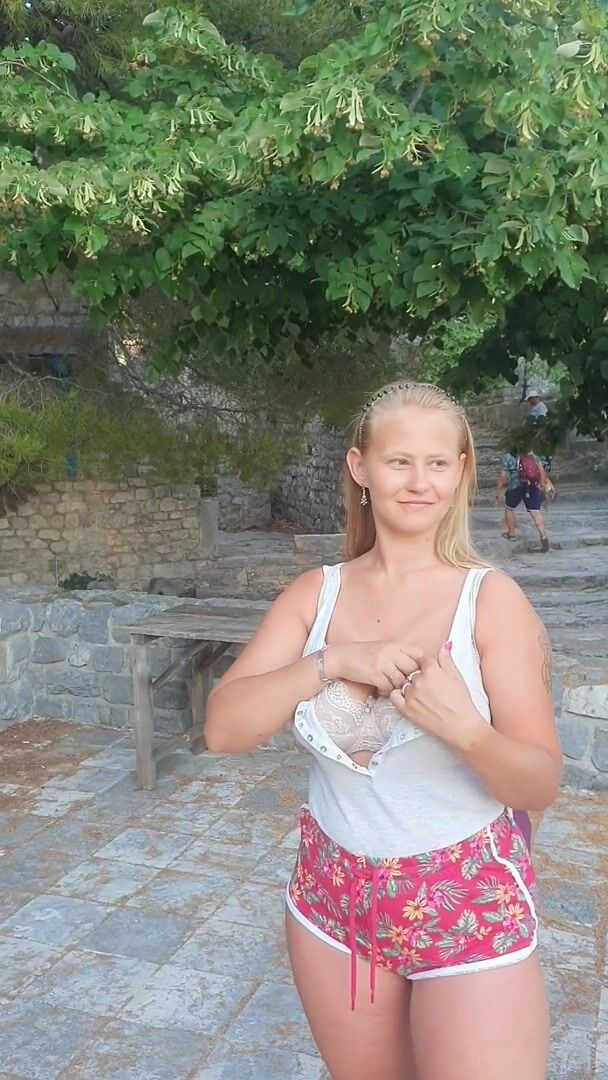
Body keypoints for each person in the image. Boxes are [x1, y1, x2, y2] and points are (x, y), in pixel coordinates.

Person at [205, 382, 561, 1080]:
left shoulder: (490, 601)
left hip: (468, 901)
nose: (419, 481)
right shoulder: (315, 594)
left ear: (460, 471)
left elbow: (539, 782)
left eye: (437, 463)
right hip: (332, 899)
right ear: (360, 467)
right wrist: (332, 661)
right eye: (399, 461)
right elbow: (224, 729)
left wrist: (468, 732)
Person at [496, 449, 550, 552]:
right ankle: (543, 537)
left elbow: (503, 476)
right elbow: (541, 471)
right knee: (536, 512)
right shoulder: (533, 453)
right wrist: (541, 485)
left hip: (515, 486)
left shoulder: (509, 456)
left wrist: (498, 492)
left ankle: (511, 534)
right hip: (532, 486)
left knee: (509, 508)